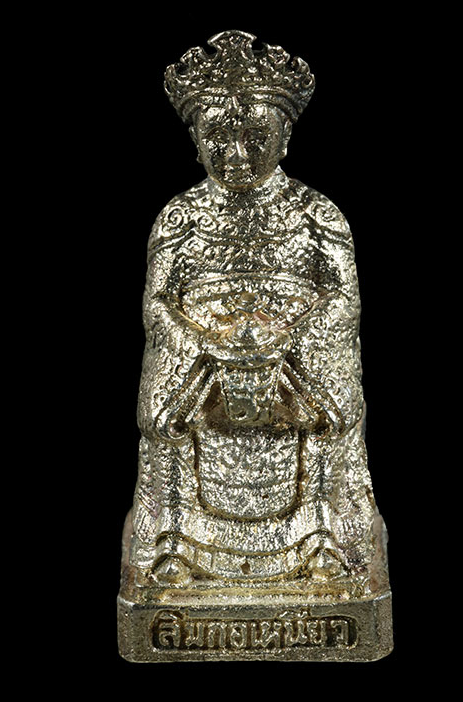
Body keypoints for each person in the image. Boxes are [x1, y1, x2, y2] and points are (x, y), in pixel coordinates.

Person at [129, 31, 378, 589]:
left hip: (293, 362)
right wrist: (206, 344)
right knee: (163, 416)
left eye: (255, 137)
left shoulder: (317, 216)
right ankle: (174, 540)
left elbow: (343, 300)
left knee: (332, 409)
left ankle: (322, 537)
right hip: (201, 363)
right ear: (196, 142)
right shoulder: (180, 219)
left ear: (284, 138)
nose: (237, 155)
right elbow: (158, 305)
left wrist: (286, 341)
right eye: (218, 137)